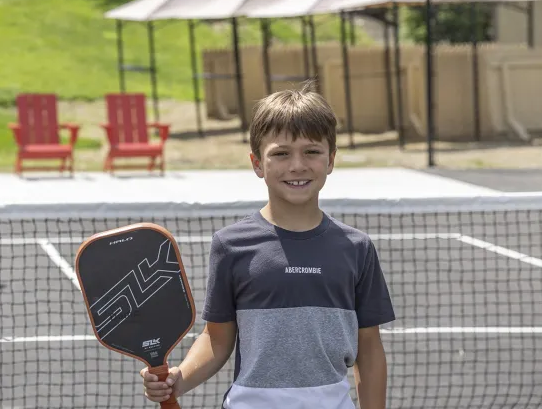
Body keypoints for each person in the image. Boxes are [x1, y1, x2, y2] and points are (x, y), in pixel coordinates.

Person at [142, 80, 394, 408]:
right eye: (281, 153)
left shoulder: (356, 248)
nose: (297, 165)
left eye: (312, 152)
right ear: (258, 163)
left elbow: (369, 349)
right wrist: (179, 378)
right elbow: (216, 339)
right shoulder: (231, 245)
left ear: (331, 160)